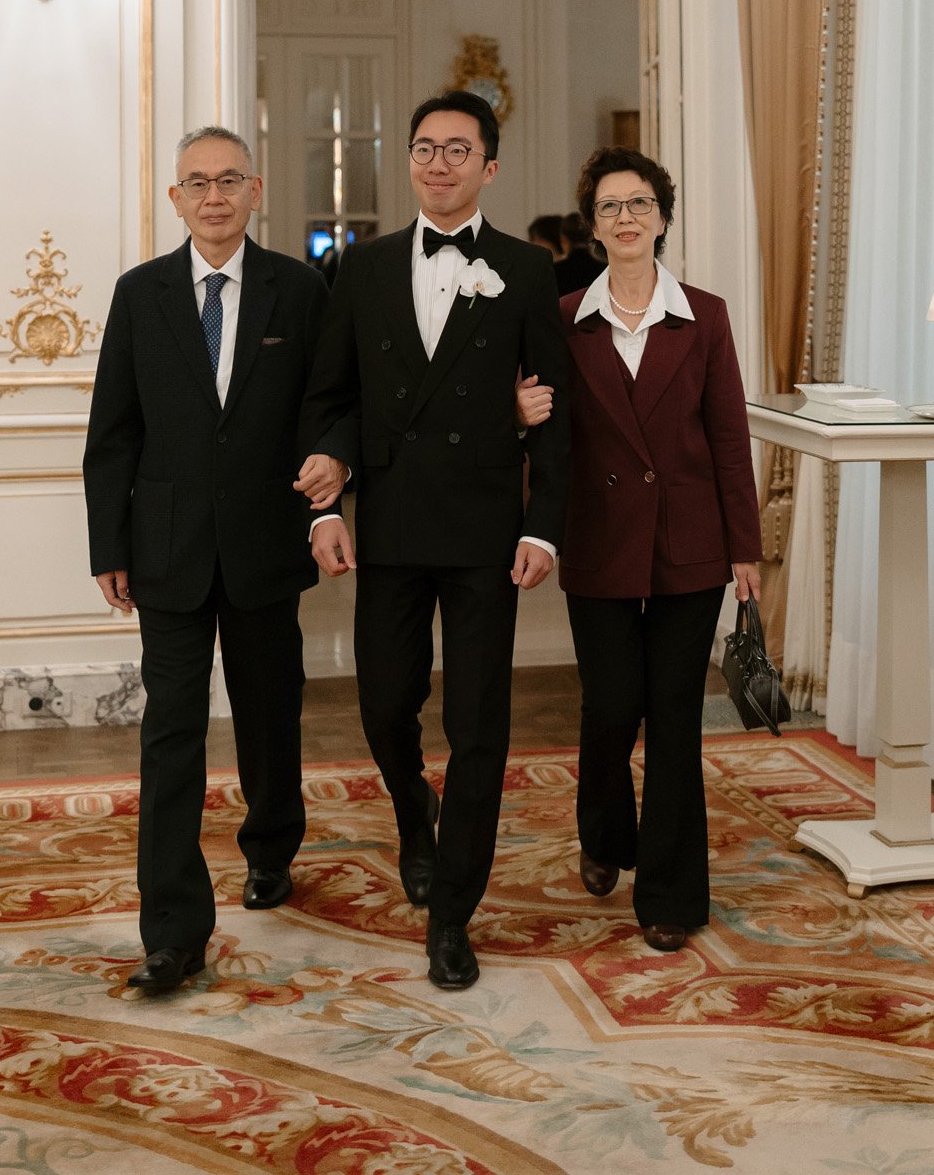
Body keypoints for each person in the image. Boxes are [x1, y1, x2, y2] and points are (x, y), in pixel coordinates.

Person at [296, 91, 569, 991]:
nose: (438, 163)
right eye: (424, 148)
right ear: (408, 161)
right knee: (383, 705)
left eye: (458, 150)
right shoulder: (363, 268)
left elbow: (557, 417)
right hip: (393, 524)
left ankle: (453, 913)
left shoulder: (527, 272)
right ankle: (415, 813)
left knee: (478, 724)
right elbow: (332, 397)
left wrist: (542, 525)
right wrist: (327, 506)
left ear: (489, 167)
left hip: (489, 529)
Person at [84, 125, 355, 994]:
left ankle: (271, 847)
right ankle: (172, 930)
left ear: (255, 189)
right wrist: (108, 547)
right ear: (175, 198)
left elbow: (330, 402)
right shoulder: (141, 295)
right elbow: (113, 432)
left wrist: (331, 464)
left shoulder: (300, 290)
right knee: (171, 736)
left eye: (228, 179)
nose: (212, 196)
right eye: (196, 182)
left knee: (269, 714)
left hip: (265, 545)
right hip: (164, 550)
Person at [518, 145, 761, 952]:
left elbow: (728, 438)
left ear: (661, 217)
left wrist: (745, 548)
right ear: (593, 226)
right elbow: (541, 433)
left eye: (640, 204)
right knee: (611, 707)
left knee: (675, 719)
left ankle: (669, 897)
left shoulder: (706, 314)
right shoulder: (561, 319)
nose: (626, 218)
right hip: (599, 537)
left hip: (691, 541)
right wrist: (516, 414)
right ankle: (602, 832)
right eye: (610, 207)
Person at [529, 211, 602, 297]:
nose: (531, 245)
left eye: (535, 240)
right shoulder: (604, 270)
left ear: (563, 240)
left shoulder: (551, 272)